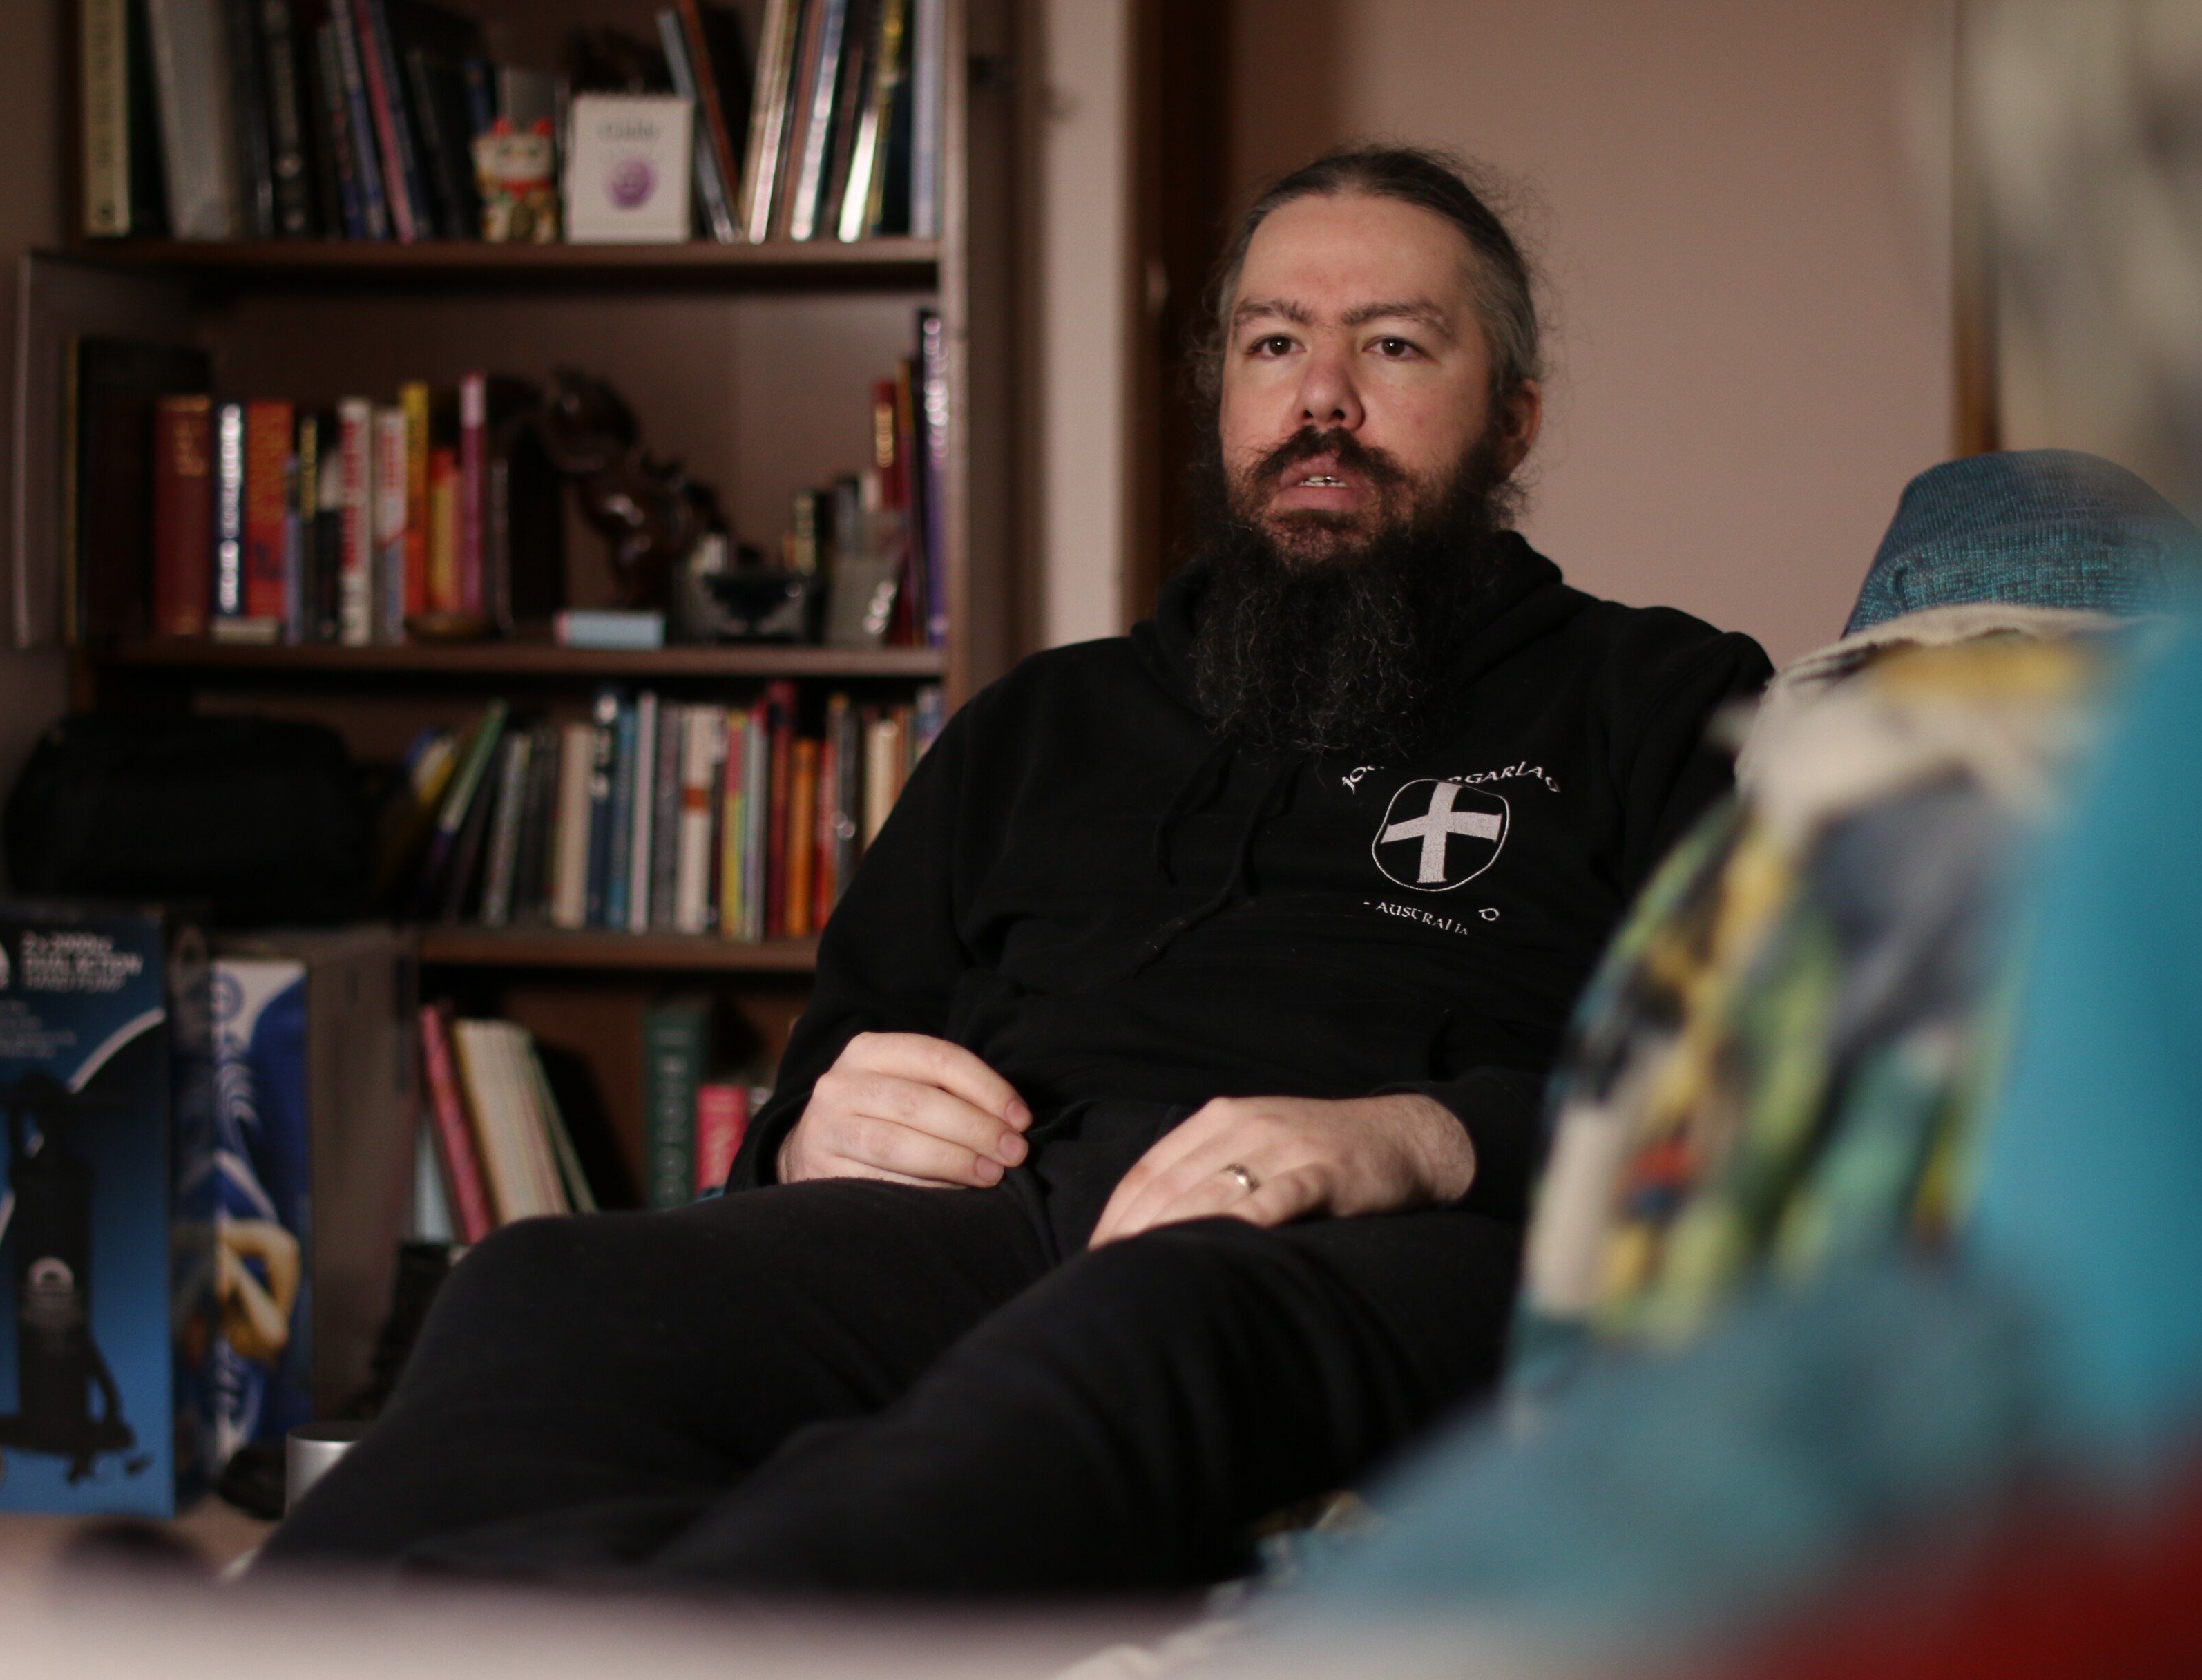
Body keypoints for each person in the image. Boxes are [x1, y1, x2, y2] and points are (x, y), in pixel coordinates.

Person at [265, 146, 1772, 1594]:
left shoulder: (1661, 699)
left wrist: (1418, 1139)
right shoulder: (1044, 721)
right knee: (547, 1284)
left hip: (1383, 1246)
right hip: (999, 1210)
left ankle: (670, 1641)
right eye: (1270, 346)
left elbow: (1758, 1094)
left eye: (1391, 346)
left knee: (1138, 1327)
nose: (1321, 401)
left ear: (1512, 419)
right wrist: (814, 1127)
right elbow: (826, 1067)